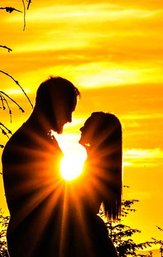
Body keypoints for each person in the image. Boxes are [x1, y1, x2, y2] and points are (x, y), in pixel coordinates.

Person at [2, 76, 80, 257]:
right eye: (69, 110)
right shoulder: (27, 143)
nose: (69, 119)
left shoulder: (42, 138)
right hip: (36, 244)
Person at [59, 110, 123, 257]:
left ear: (97, 133)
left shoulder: (97, 166)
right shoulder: (95, 164)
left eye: (86, 125)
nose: (81, 128)